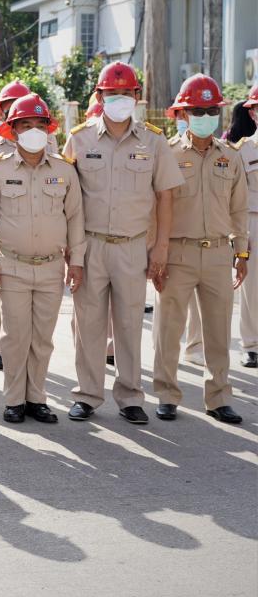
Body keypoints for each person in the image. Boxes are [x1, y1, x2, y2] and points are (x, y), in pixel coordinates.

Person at [63, 61, 182, 425]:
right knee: (88, 323)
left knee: (130, 323)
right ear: (99, 96)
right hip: (90, 245)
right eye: (111, 94)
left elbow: (165, 196)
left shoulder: (154, 141)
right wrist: (71, 252)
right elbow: (66, 198)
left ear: (136, 97)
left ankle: (130, 396)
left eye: (126, 93)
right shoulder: (79, 138)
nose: (119, 99)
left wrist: (160, 247)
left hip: (133, 246)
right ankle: (87, 394)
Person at [0, 94, 85, 423]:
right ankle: (14, 400)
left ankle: (37, 398)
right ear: (13, 130)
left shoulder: (65, 171)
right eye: (26, 125)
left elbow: (75, 218)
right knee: (15, 336)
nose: (34, 131)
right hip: (12, 265)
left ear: (49, 130)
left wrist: (76, 260)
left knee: (42, 338)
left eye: (40, 125)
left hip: (52, 266)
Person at [151, 75, 246, 425]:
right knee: (168, 328)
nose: (205, 116)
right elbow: (154, 208)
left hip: (220, 253)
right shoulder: (168, 154)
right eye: (197, 110)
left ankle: (218, 397)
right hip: (178, 252)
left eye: (210, 110)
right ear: (184, 114)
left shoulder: (230, 157)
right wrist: (155, 253)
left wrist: (242, 252)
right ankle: (166, 394)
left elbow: (239, 209)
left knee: (219, 330)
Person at [236, 86, 258, 369]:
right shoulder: (243, 151)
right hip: (254, 220)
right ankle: (251, 344)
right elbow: (237, 196)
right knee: (251, 286)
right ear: (253, 113)